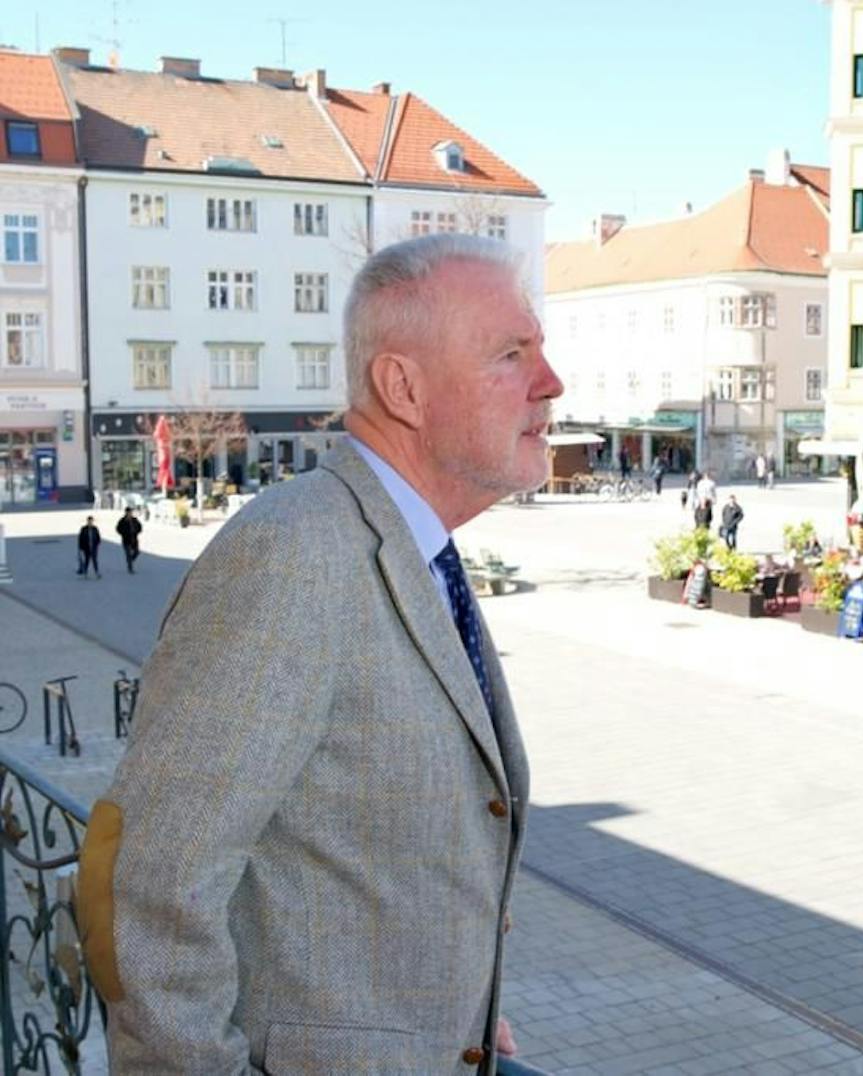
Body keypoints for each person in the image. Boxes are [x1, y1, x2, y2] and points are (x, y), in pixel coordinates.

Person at [79, 235, 556, 1073]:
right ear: (403, 387)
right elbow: (150, 887)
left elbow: (371, 861)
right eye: (511, 355)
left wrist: (460, 1021)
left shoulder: (414, 544)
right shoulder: (293, 555)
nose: (550, 383)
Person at [114, 507, 142, 573]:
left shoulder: (134, 520)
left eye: (130, 512)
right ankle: (130, 568)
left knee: (137, 552)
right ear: (126, 513)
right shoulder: (122, 520)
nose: (130, 513)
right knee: (128, 554)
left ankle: (130, 560)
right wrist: (123, 533)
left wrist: (137, 531)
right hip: (126, 540)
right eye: (128, 512)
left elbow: (140, 527)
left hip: (134, 539)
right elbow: (118, 528)